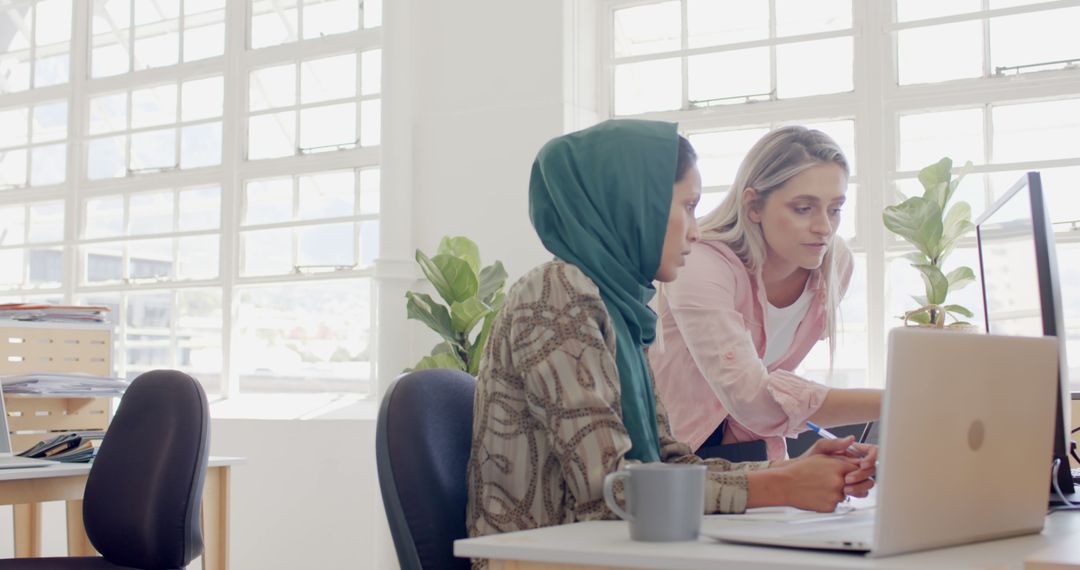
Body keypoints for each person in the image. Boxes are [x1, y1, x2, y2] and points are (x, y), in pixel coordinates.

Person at [465, 120, 876, 563]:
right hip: (538, 560)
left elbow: (669, 464)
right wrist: (780, 485)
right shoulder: (555, 293)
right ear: (635, 207)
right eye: (689, 207)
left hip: (613, 551)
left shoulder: (622, 307)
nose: (697, 231)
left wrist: (791, 470)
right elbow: (610, 491)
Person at [649, 126, 883, 463]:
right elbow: (752, 399)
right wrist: (898, 401)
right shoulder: (699, 263)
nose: (824, 227)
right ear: (753, 205)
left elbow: (770, 388)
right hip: (673, 456)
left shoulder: (835, 264)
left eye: (835, 209)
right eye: (803, 208)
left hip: (756, 450)